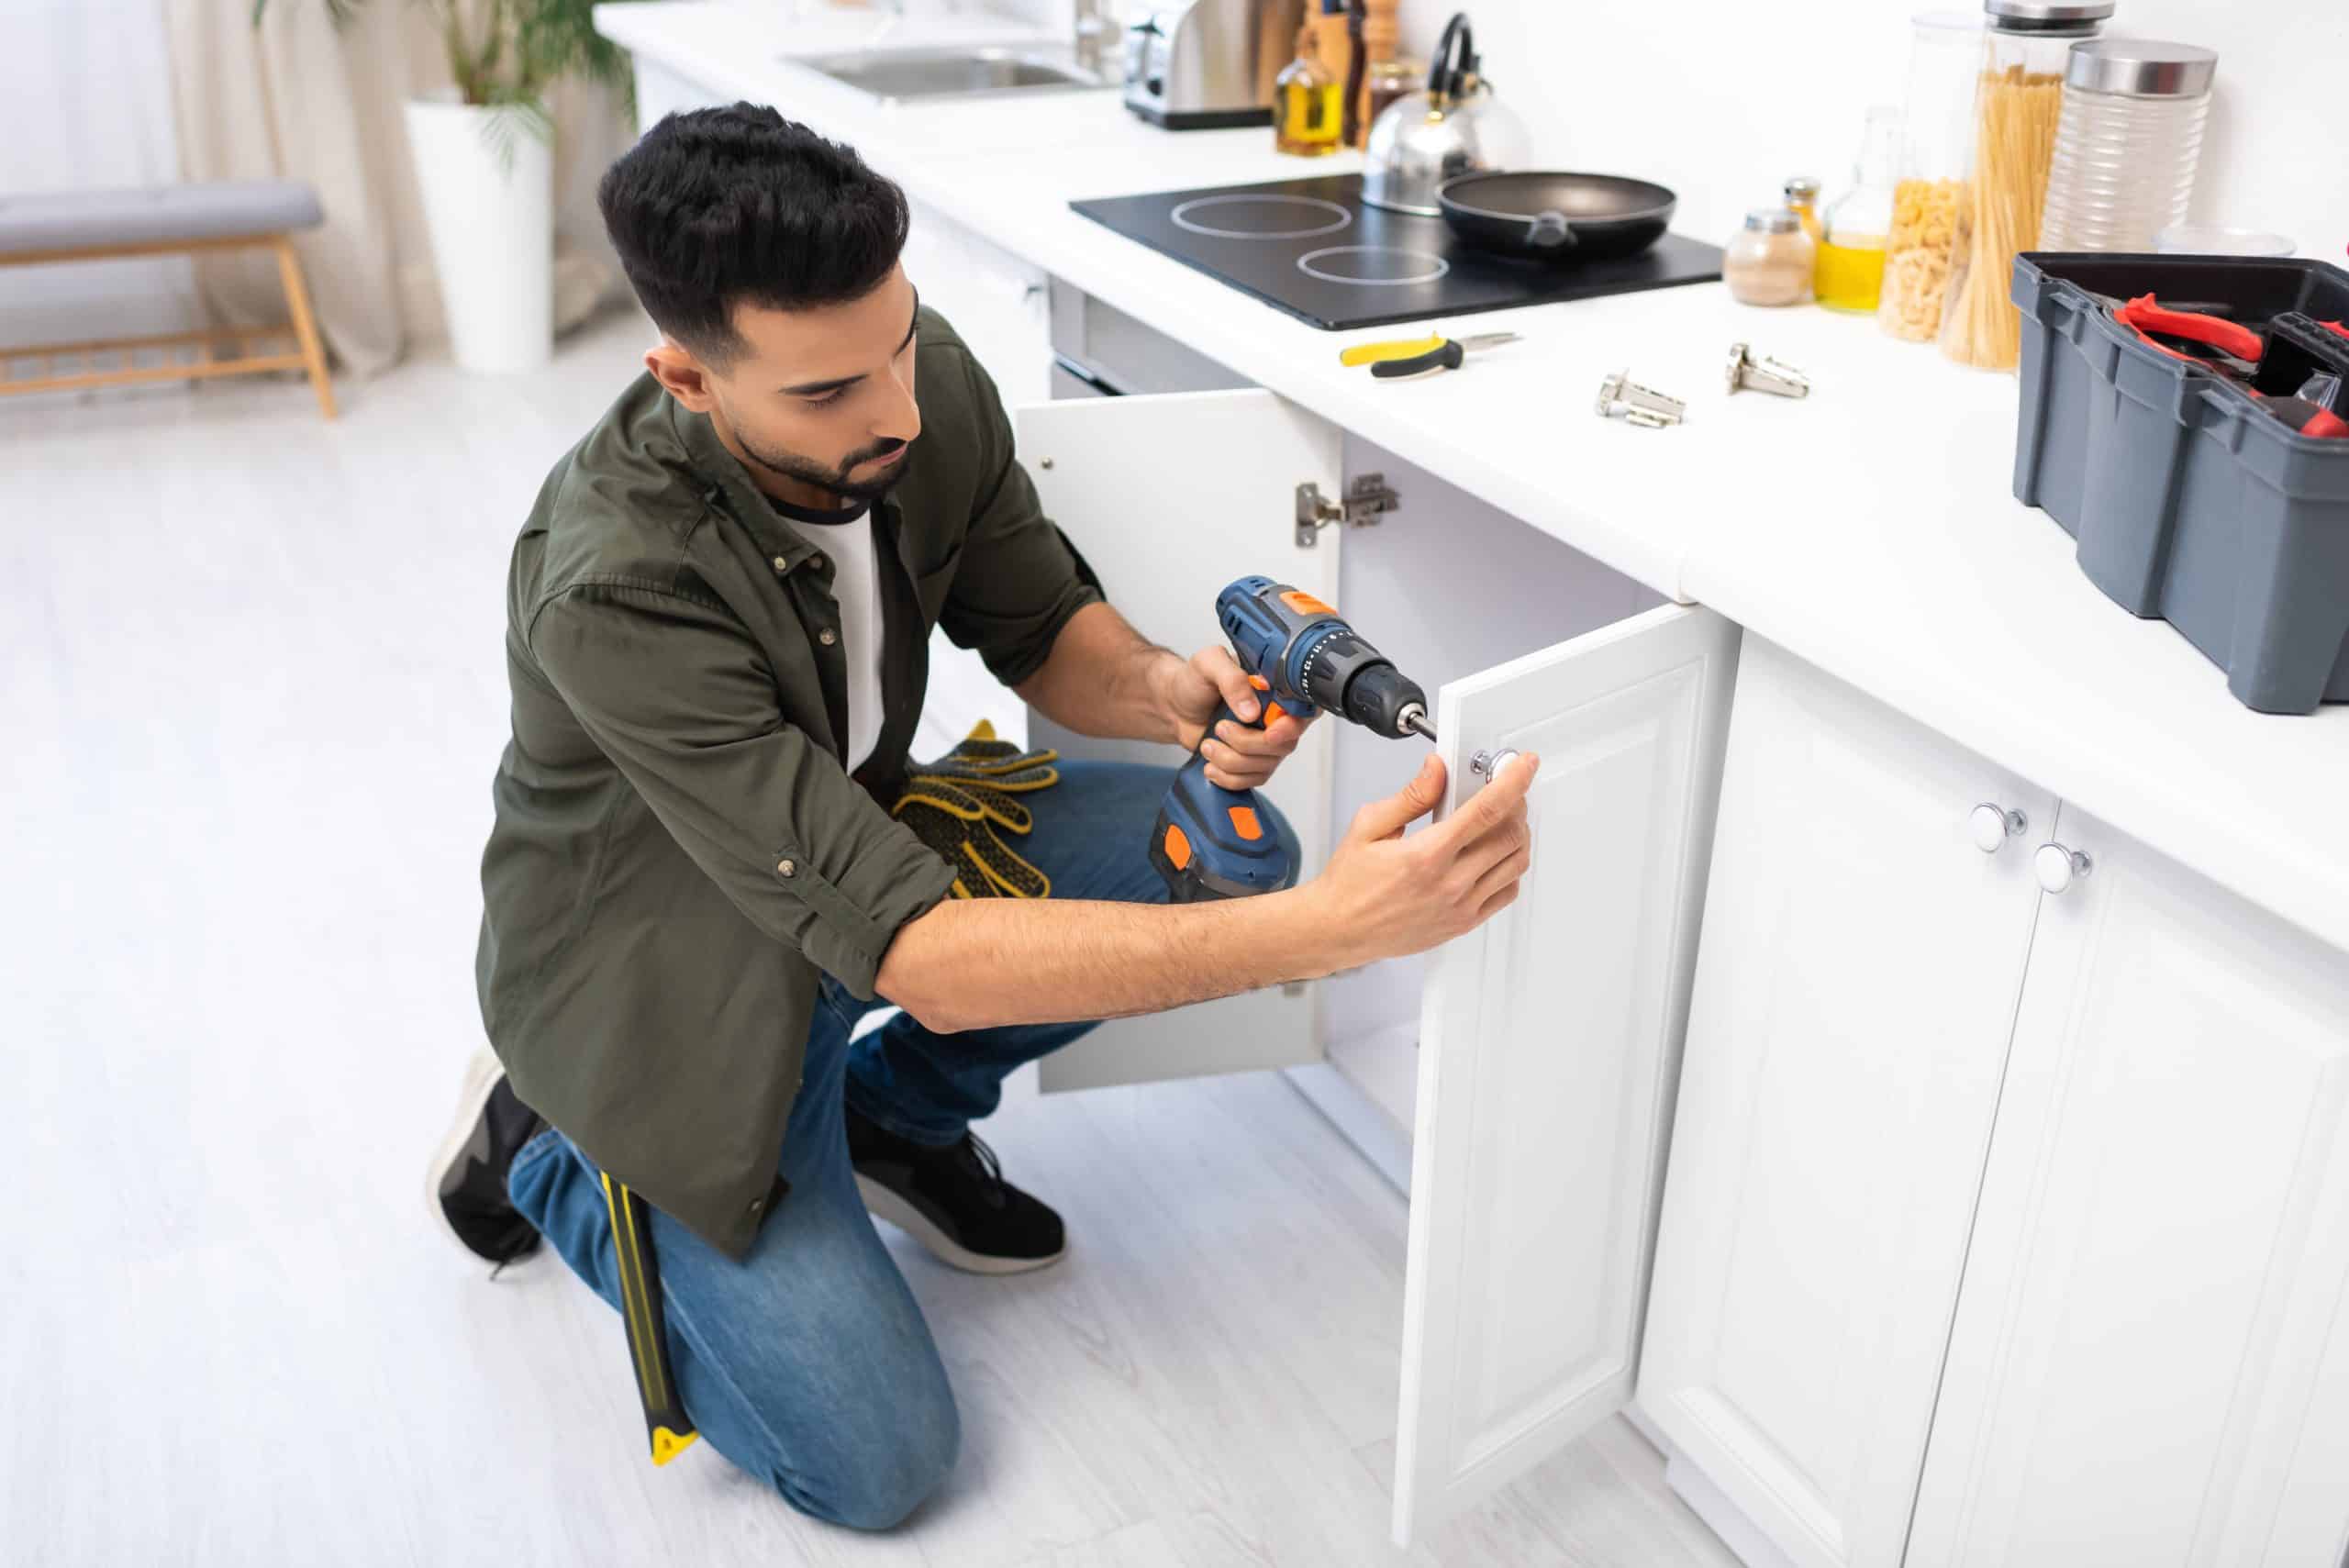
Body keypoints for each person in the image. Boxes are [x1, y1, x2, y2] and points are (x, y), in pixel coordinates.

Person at [432, 102, 1537, 1530]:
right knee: (879, 1461)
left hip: (850, 864)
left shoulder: (914, 378)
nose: (892, 408)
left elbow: (1041, 624)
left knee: (1206, 849)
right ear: (687, 381)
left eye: (895, 347)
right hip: (664, 992)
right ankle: (548, 1138)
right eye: (827, 392)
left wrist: (1169, 691)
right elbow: (922, 953)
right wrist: (1312, 938)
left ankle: (892, 1118)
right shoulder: (615, 581)